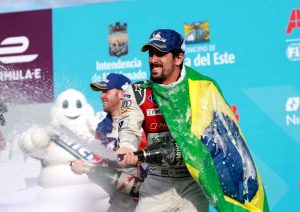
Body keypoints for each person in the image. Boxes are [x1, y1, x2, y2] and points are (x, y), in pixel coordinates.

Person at [116, 29, 269, 212]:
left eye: (161, 54)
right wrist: (126, 146)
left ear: (178, 58)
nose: (153, 60)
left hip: (193, 184)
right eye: (151, 54)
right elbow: (129, 126)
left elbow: (226, 141)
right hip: (157, 184)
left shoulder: (203, 88)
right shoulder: (137, 92)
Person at [71, 73, 147, 212]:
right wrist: (85, 168)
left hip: (148, 203)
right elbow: (99, 165)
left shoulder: (143, 121)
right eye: (101, 91)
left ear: (122, 94)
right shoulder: (102, 128)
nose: (101, 96)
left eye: (106, 91)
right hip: (119, 204)